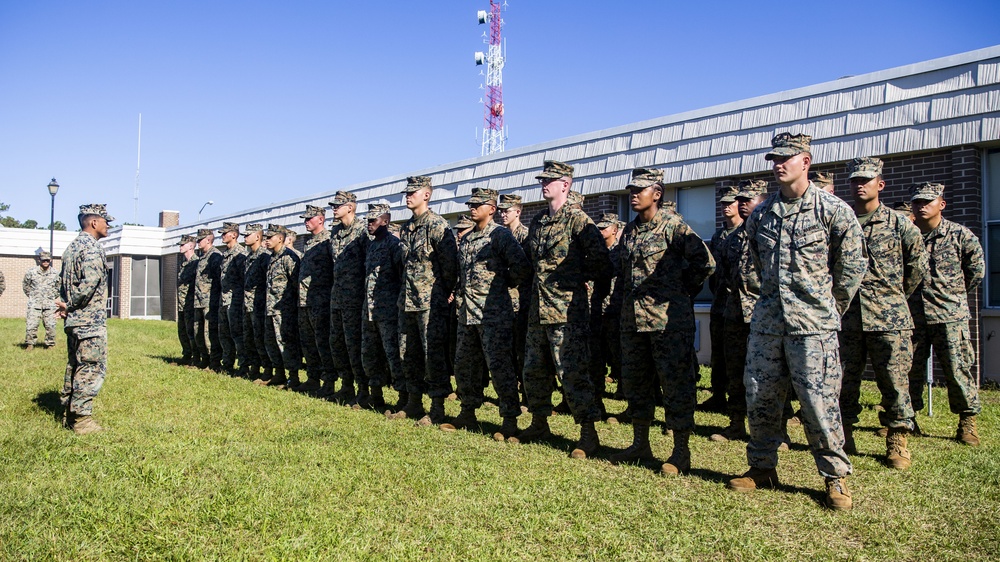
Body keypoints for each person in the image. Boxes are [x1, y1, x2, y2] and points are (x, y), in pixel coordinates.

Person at [727, 133, 866, 512]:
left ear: (805, 161)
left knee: (819, 403)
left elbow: (852, 266)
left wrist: (828, 307)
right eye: (775, 158)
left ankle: (834, 477)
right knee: (760, 397)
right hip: (769, 324)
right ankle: (762, 467)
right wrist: (766, 301)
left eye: (786, 158)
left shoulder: (833, 210)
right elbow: (751, 263)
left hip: (813, 326)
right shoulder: (762, 212)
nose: (778, 164)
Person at [611, 168, 715, 474]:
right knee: (637, 383)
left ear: (657, 194)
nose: (634, 195)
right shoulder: (629, 231)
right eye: (631, 190)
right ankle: (640, 443)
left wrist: (681, 291)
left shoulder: (673, 226)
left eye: (640, 190)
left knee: (676, 385)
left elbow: (705, 263)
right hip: (633, 323)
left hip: (667, 323)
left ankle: (680, 451)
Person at [510, 160, 612, 460]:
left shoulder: (579, 221)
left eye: (550, 180)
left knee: (572, 372)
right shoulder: (539, 220)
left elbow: (601, 263)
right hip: (537, 311)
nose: (544, 184)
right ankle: (539, 423)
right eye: (543, 179)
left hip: (567, 312)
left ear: (565, 185)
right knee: (533, 370)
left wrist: (574, 280)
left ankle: (588, 434)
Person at [837, 157, 927, 469]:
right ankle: (843, 435)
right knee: (843, 380)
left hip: (889, 318)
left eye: (866, 179)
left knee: (894, 380)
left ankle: (897, 440)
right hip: (846, 318)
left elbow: (917, 268)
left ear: (880, 184)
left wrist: (892, 297)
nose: (860, 185)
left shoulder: (900, 224)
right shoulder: (840, 222)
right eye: (855, 180)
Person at [441, 188, 530, 439]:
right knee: (464, 366)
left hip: (493, 315)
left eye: (478, 204)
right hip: (467, 314)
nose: (472, 208)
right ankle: (467, 412)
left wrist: (502, 285)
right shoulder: (468, 239)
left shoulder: (499, 236)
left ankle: (509, 419)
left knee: (500, 366)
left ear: (491, 209)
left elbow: (521, 267)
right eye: (471, 204)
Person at [906, 182, 985, 446]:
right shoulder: (908, 235)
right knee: (908, 370)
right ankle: (906, 420)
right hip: (912, 316)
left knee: (957, 369)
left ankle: (967, 422)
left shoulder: (960, 235)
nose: (922, 206)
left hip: (949, 315)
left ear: (942, 204)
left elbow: (975, 271)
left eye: (928, 201)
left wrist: (951, 296)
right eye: (917, 202)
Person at [388, 176, 459, 424]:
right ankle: (413, 402)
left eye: (413, 192)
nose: (408, 196)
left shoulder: (438, 225)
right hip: (406, 301)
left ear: (426, 195)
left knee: (433, 355)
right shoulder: (406, 228)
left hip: (430, 303)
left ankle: (437, 407)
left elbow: (451, 266)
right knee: (408, 354)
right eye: (406, 192)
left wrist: (441, 294)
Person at [711, 180, 769, 443]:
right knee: (735, 372)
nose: (743, 203)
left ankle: (775, 430)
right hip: (734, 315)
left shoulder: (771, 232)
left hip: (765, 315)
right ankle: (736, 423)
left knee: (769, 375)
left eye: (749, 199)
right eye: (741, 199)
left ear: (763, 201)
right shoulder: (731, 238)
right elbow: (719, 276)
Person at [56, 203, 114, 435]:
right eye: (105, 221)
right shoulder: (91, 248)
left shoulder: (71, 248)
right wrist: (70, 305)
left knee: (75, 365)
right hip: (89, 320)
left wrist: (66, 306)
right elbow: (88, 285)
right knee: (90, 367)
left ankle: (68, 412)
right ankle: (81, 420)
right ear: (93, 222)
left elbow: (64, 283)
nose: (108, 225)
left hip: (75, 320)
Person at [702, 185, 742, 412]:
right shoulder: (718, 236)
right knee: (718, 353)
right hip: (719, 304)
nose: (726, 207)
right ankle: (718, 395)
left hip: (740, 306)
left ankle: (738, 400)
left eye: (731, 203)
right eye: (723, 204)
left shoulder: (746, 231)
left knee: (737, 355)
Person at [327, 191, 370, 406]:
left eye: (338, 205)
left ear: (351, 207)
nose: (334, 209)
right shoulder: (334, 232)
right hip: (337, 298)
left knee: (355, 345)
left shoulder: (363, 231)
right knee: (337, 344)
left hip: (355, 300)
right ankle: (346, 386)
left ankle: (363, 389)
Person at [362, 203, 403, 413]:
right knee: (370, 354)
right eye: (367, 220)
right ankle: (375, 396)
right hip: (369, 310)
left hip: (387, 311)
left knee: (393, 355)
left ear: (385, 221)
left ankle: (403, 399)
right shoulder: (371, 245)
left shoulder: (393, 245)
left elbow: (401, 276)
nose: (369, 224)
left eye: (373, 220)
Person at [589, 212, 624, 420]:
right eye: (599, 227)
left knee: (617, 351)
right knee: (597, 353)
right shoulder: (597, 252)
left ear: (615, 229)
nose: (601, 231)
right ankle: (598, 388)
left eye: (605, 228)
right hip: (596, 308)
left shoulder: (618, 251)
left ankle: (622, 386)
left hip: (614, 307)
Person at [257, 224, 301, 388]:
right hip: (270, 308)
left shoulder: (289, 258)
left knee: (286, 343)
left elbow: (296, 284)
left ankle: (293, 377)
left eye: (270, 238)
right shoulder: (271, 258)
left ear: (280, 238)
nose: (267, 241)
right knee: (271, 342)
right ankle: (279, 374)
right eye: (266, 237)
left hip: (284, 310)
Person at [296, 204, 333, 394]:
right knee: (308, 343)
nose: (306, 222)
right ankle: (312, 378)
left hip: (320, 300)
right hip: (304, 301)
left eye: (310, 218)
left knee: (322, 343)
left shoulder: (328, 240)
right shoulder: (309, 243)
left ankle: (328, 382)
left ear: (321, 219)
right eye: (305, 219)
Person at [498, 193, 532, 392]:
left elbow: (526, 268)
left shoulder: (525, 236)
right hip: (503, 301)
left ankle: (526, 391)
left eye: (507, 211)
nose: (503, 214)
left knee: (522, 348)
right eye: (501, 210)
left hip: (521, 299)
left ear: (518, 212)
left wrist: (509, 280)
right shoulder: (499, 235)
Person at [241, 224, 272, 381]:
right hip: (248, 304)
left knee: (261, 338)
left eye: (248, 235)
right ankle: (254, 368)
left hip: (259, 305)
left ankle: (267, 370)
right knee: (249, 338)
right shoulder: (249, 257)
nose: (245, 237)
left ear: (258, 236)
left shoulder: (264, 257)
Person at [217, 222, 247, 375]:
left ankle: (243, 367)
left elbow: (244, 280)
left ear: (234, 235)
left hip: (235, 301)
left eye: (225, 233)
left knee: (237, 335)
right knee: (224, 334)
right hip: (224, 300)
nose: (222, 236)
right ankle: (227, 364)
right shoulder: (225, 254)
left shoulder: (240, 254)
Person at [193, 228, 223, 371]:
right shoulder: (202, 257)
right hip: (199, 301)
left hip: (209, 302)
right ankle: (204, 359)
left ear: (209, 240)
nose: (198, 242)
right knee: (198, 332)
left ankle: (214, 362)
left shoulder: (215, 256)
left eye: (200, 240)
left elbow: (218, 281)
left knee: (209, 333)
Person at [22, 251, 60, 349]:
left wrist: (51, 297)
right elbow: (26, 286)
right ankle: (30, 344)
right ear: (39, 260)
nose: (45, 262)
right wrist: (33, 296)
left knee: (50, 326)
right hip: (34, 304)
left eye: (47, 260)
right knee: (31, 325)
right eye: (43, 260)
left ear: (50, 260)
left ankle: (50, 344)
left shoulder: (56, 273)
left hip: (50, 304)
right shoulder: (31, 272)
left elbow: (59, 287)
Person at [175, 235, 198, 365]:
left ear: (190, 246)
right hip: (181, 303)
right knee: (182, 330)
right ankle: (186, 355)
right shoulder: (183, 264)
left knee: (191, 331)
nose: (180, 246)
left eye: (183, 244)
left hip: (190, 303)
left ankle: (195, 356)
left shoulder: (196, 262)